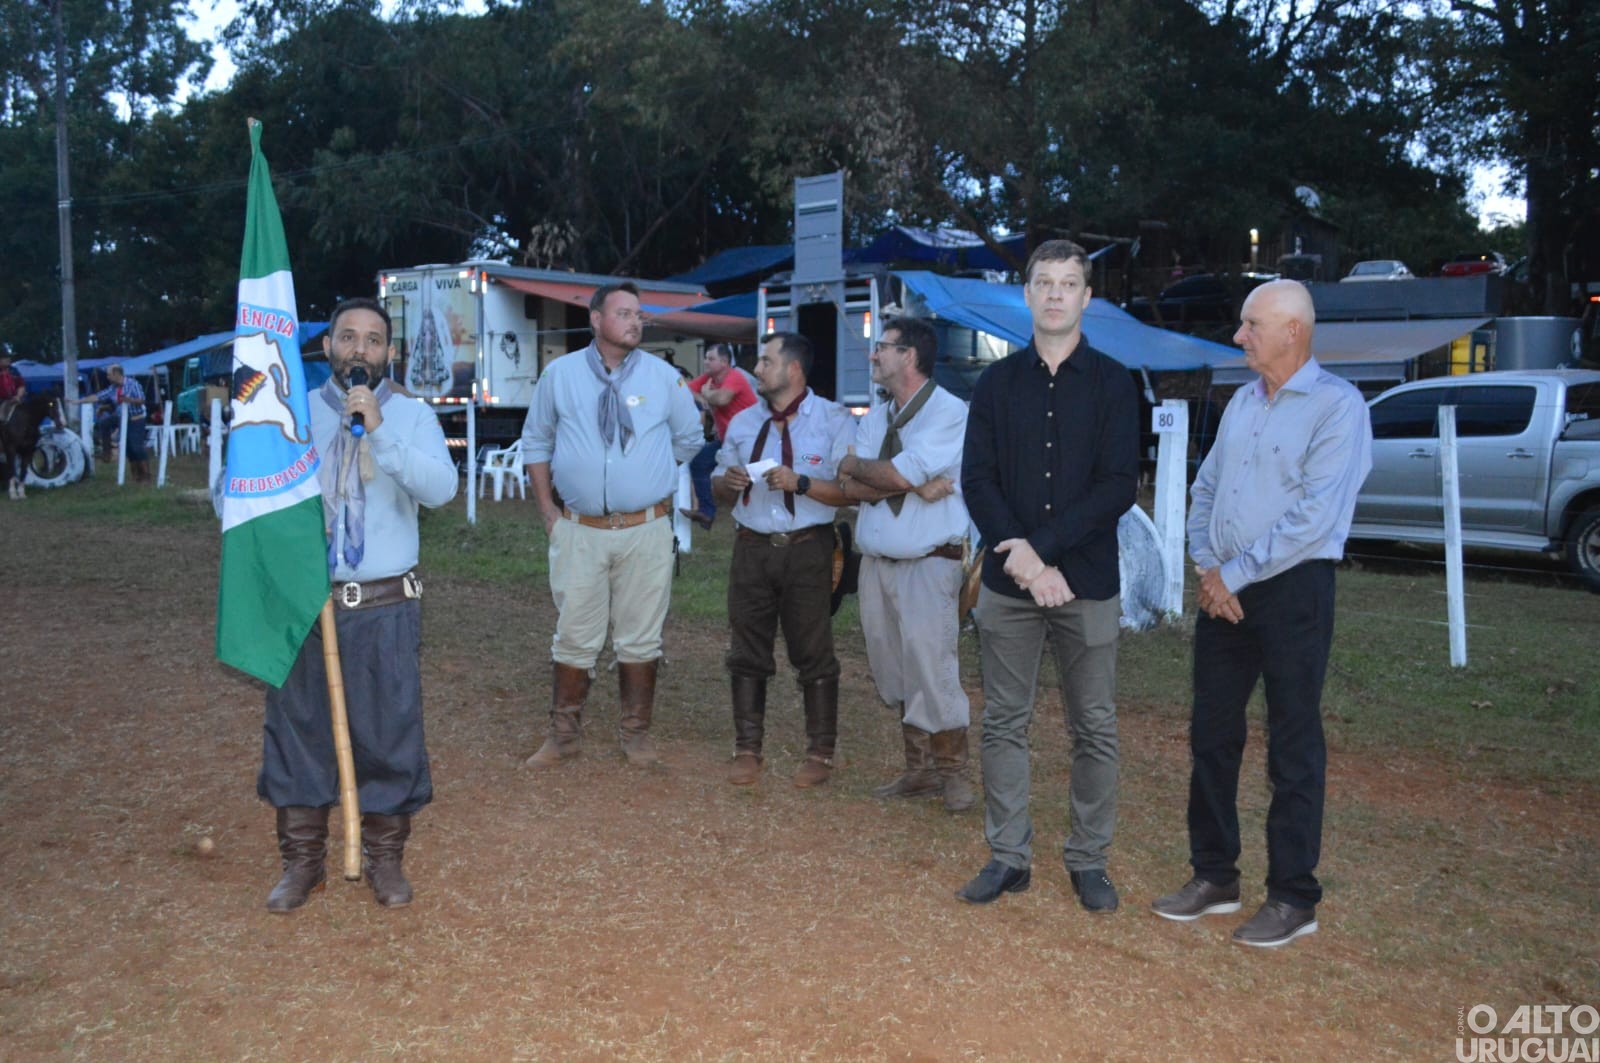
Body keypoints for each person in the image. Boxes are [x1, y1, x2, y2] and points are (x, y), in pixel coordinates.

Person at [1150, 280, 1372, 948]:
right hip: (1224, 587)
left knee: (1292, 742)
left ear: (1292, 331)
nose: (1239, 335)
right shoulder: (1243, 401)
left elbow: (1315, 517)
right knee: (1211, 733)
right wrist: (1206, 566)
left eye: (1251, 325)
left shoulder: (1338, 407)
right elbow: (1207, 487)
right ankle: (1214, 875)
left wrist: (1233, 574)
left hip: (1293, 590)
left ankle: (1293, 896)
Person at [956, 239, 1139, 912]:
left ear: (1087, 297)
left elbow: (1118, 484)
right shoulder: (996, 385)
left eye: (1068, 283)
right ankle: (1008, 856)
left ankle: (1089, 861)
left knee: (1095, 726)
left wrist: (1046, 552)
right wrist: (1026, 563)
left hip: (1086, 582)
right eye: (1044, 282)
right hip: (1010, 586)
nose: (1056, 293)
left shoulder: (1115, 383)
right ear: (1027, 294)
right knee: (1004, 721)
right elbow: (978, 480)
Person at [260, 297, 459, 913]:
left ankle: (385, 859)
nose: (360, 350)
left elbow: (442, 489)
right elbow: (239, 494)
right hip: (306, 602)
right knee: (299, 730)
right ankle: (302, 862)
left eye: (374, 340)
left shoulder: (412, 416)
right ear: (327, 348)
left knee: (388, 733)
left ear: (389, 353)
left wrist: (378, 429)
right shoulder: (289, 414)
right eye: (348, 337)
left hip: (383, 605)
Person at [520, 281, 703, 769]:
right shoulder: (559, 376)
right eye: (624, 313)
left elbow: (689, 438)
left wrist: (649, 474)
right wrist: (548, 512)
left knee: (641, 635)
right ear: (596, 319)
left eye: (639, 314)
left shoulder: (664, 379)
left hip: (646, 530)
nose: (635, 322)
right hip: (579, 530)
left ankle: (636, 736)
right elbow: (536, 442)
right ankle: (563, 736)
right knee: (574, 633)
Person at [837, 317, 974, 812]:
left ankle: (952, 773)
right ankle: (919, 770)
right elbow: (849, 485)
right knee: (891, 668)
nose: (873, 356)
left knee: (932, 666)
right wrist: (910, 483)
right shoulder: (877, 417)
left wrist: (870, 470)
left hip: (929, 562)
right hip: (877, 563)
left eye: (882, 347)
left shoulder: (949, 411)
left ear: (909, 356)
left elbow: (889, 473)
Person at [711, 331, 854, 787]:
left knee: (813, 649)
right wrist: (728, 482)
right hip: (751, 547)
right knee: (746, 647)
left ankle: (820, 754)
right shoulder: (743, 423)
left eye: (765, 362)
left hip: (808, 548)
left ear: (793, 370)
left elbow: (851, 493)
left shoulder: (833, 420)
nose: (756, 370)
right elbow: (716, 484)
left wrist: (801, 483)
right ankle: (747, 749)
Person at [683, 342, 757, 529]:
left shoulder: (734, 376)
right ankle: (706, 512)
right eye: (706, 358)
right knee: (698, 463)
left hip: (751, 439)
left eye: (711, 359)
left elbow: (723, 399)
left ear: (724, 362)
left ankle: (751, 520)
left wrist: (706, 394)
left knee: (749, 481)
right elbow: (683, 388)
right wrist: (701, 397)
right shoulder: (709, 378)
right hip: (727, 441)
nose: (705, 362)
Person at [68, 364, 150, 479]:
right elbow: (98, 396)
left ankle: (145, 474)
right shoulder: (113, 388)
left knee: (136, 447)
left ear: (116, 374)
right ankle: (107, 452)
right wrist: (78, 401)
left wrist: (129, 400)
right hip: (121, 417)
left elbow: (142, 400)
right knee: (106, 425)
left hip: (135, 419)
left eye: (109, 375)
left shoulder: (133, 384)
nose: (107, 377)